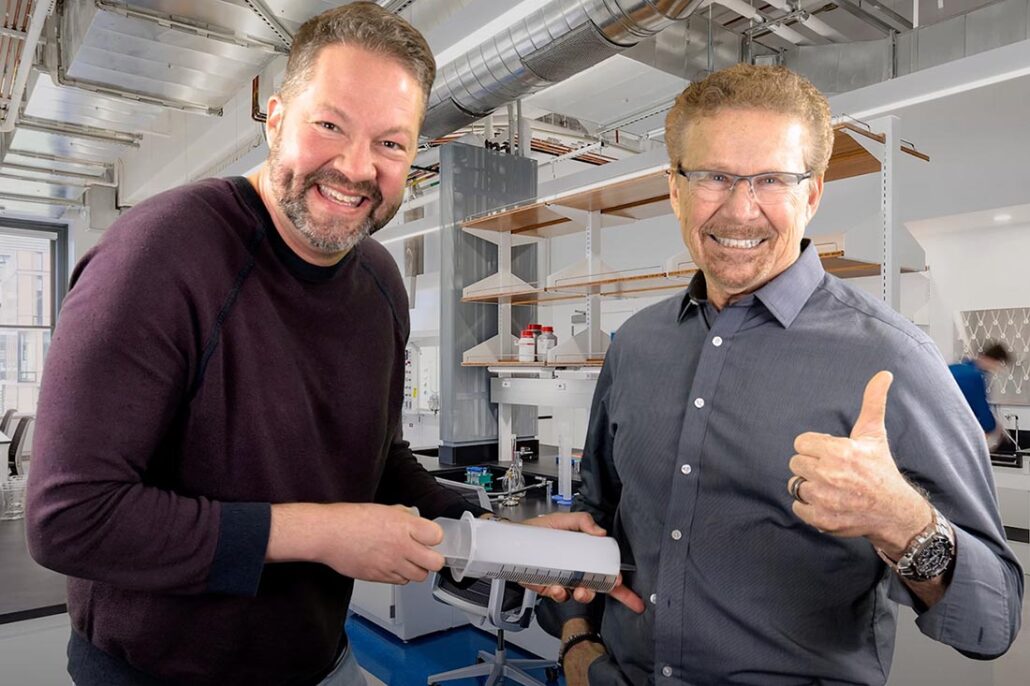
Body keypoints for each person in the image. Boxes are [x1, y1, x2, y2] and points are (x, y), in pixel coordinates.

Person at [25, 4, 497, 685]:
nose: (356, 167)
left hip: (320, 661)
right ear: (276, 118)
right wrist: (327, 534)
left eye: (391, 144)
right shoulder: (159, 255)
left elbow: (378, 455)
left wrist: (495, 532)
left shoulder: (381, 282)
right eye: (329, 124)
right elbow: (68, 517)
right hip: (158, 673)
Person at [538, 65, 1024, 685]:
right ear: (674, 188)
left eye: (772, 179)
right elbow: (598, 512)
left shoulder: (894, 358)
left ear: (812, 193)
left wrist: (905, 524)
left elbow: (994, 620)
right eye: (713, 176)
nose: (741, 211)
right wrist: (578, 642)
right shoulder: (635, 345)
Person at [949, 341, 1011, 445]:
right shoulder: (974, 376)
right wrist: (993, 428)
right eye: (999, 365)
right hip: (952, 430)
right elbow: (981, 408)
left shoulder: (957, 368)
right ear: (995, 361)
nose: (996, 369)